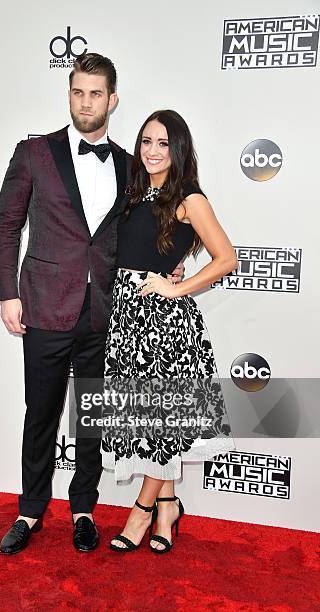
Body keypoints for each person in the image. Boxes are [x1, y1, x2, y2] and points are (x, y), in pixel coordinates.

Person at [0, 53, 183, 554]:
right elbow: (6, 228)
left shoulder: (129, 164)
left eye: (96, 93)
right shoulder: (34, 152)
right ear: (69, 94)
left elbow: (146, 231)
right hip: (44, 307)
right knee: (41, 413)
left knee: (93, 417)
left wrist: (171, 265)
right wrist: (7, 294)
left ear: (112, 100)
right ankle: (30, 511)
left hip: (105, 311)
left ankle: (83, 510)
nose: (86, 102)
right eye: (78, 92)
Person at [101, 109, 238, 554]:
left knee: (162, 423)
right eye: (146, 142)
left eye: (163, 143)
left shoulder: (189, 197)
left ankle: (141, 513)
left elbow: (226, 259)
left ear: (178, 149)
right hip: (126, 321)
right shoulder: (134, 193)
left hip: (164, 326)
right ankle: (168, 507)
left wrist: (176, 288)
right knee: (147, 419)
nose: (153, 151)